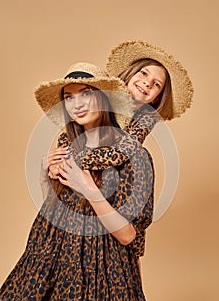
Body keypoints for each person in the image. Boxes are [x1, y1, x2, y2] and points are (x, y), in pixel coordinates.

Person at [0, 62, 156, 301]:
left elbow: (127, 235)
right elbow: (58, 211)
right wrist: (46, 175)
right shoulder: (66, 145)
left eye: (86, 93)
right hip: (43, 262)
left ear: (104, 98)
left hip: (90, 271)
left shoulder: (134, 157)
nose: (77, 103)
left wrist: (90, 189)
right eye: (69, 97)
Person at [46, 40, 194, 257]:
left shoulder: (141, 124)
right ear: (129, 74)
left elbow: (119, 153)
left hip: (111, 227)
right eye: (143, 74)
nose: (146, 84)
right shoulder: (93, 107)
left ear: (157, 99)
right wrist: (55, 168)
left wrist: (80, 171)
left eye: (156, 85)